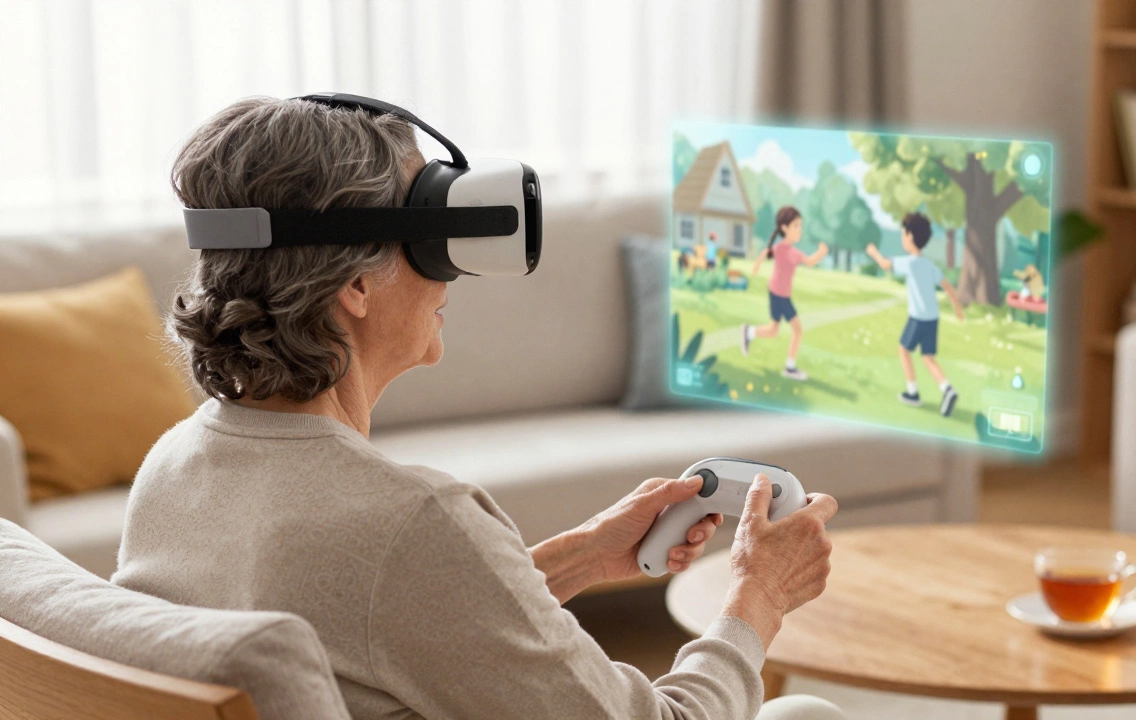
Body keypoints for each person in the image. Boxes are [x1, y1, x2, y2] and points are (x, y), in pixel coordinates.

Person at [112, 97, 844, 720]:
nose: (453, 270)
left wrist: (581, 555)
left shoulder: (175, 468)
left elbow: (375, 623)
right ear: (355, 286)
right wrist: (759, 595)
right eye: (429, 235)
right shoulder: (412, 523)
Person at [866, 212, 964, 417]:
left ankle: (913, 392)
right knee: (928, 357)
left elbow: (885, 265)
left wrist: (874, 253)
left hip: (918, 318)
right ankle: (947, 389)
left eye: (903, 234)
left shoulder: (910, 263)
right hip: (932, 319)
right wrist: (957, 308)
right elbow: (947, 286)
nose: (902, 238)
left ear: (910, 237)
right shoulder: (929, 265)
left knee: (903, 350)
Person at [742, 206, 828, 381]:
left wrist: (757, 265)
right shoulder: (786, 250)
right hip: (780, 296)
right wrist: (821, 252)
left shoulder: (786, 250)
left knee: (773, 330)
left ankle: (749, 332)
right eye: (796, 226)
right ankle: (790, 368)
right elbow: (809, 261)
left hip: (777, 293)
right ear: (784, 228)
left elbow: (767, 252)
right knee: (797, 330)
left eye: (800, 226)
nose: (799, 230)